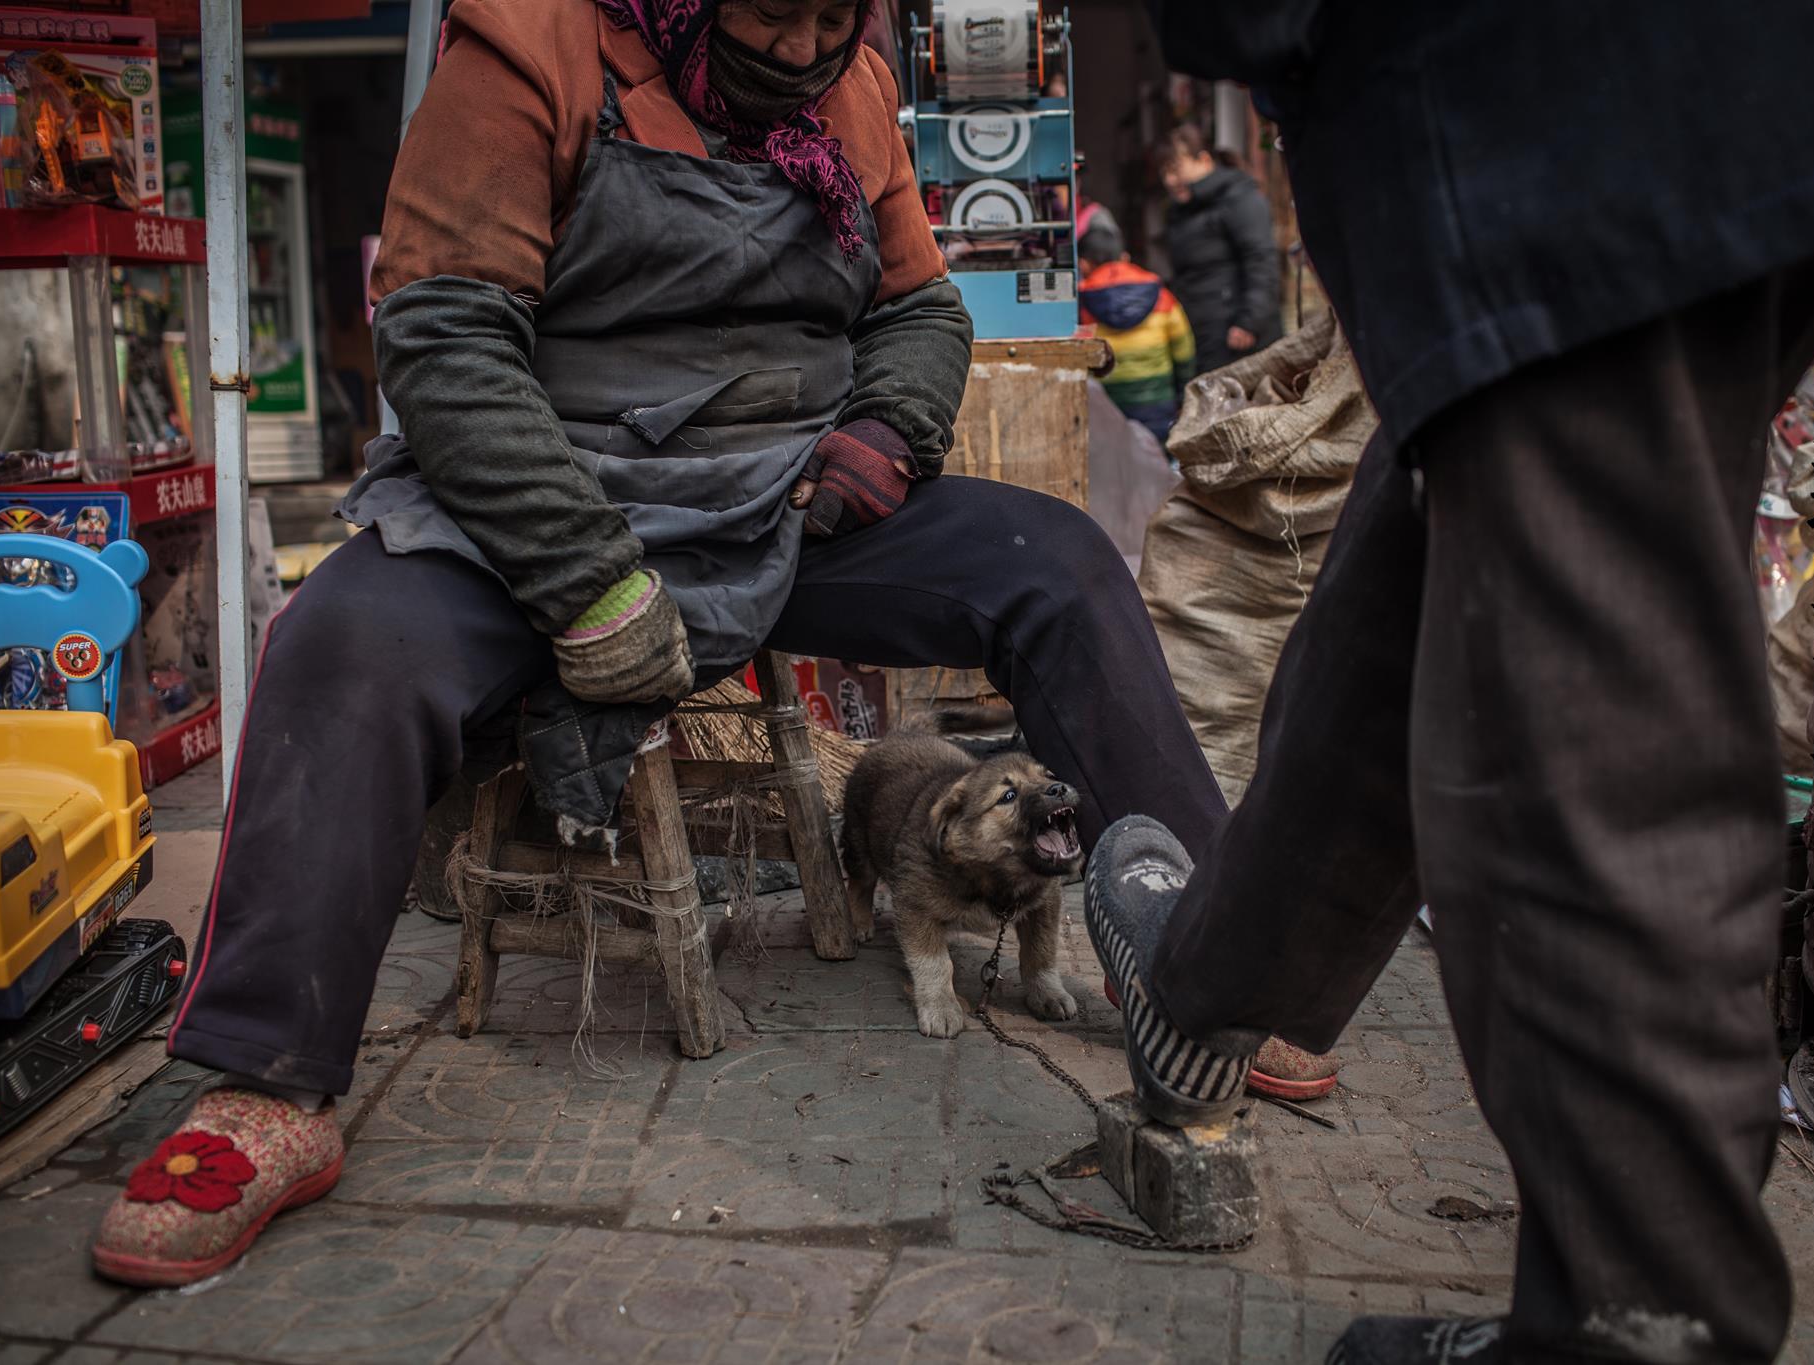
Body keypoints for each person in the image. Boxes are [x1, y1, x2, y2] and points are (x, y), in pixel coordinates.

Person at [89, 0, 1224, 1288]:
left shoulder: (852, 86)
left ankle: (1216, 971)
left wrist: (884, 430)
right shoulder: (529, 43)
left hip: (784, 497)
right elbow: (445, 338)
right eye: (771, 11)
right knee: (342, 643)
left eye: (829, 14)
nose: (799, 47)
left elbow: (918, 308)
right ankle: (265, 1080)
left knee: (1054, 566)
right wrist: (585, 579)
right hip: (547, 493)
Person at [1086, 5, 1814, 1363]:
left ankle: (1637, 1322)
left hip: (1543, 71)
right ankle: (1204, 990)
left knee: (1588, 603)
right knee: (1464, 481)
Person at [1157, 124, 1281, 375]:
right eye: (1164, 172)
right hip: (1201, 330)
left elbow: (1261, 260)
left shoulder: (1239, 198)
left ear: (1203, 160)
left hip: (1236, 333)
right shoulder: (1182, 209)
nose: (1170, 180)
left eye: (1176, 169)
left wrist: (1250, 322)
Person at [1077, 214, 1195, 448]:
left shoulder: (1081, 305)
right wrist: (1183, 395)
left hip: (1106, 407)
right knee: (1158, 461)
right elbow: (1184, 350)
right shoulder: (1162, 297)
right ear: (1124, 257)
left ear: (1084, 264)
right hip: (1158, 403)